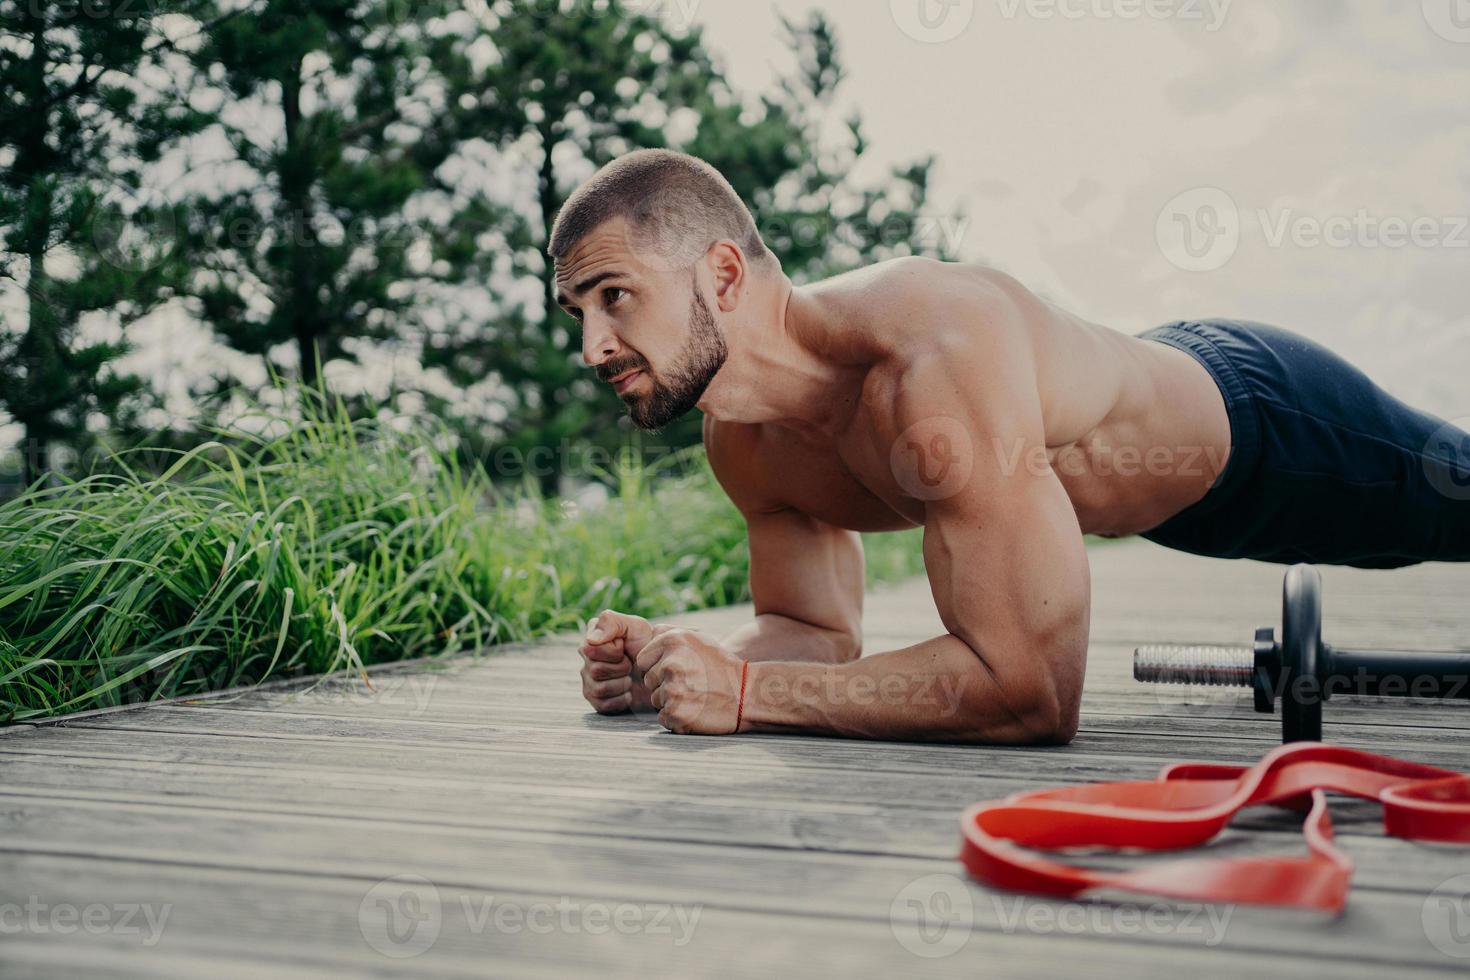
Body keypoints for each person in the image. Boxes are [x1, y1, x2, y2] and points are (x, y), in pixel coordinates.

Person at [552, 149, 1470, 744]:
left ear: (720, 274)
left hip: (1269, 426)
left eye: (614, 297)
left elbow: (1028, 692)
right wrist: (679, 664)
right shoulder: (742, 441)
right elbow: (814, 632)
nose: (592, 347)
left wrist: (748, 697)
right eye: (578, 314)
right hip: (1176, 503)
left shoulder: (930, 356)